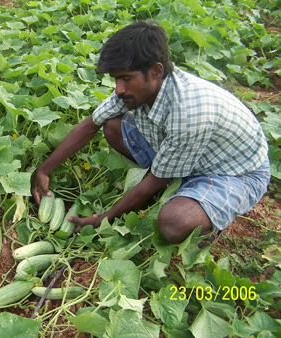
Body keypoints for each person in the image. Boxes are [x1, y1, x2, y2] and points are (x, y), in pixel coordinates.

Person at [31, 20, 270, 244]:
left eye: (125, 78)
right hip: (187, 154)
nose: (118, 89)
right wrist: (44, 170)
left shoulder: (187, 111)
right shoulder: (138, 89)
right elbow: (91, 124)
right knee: (113, 126)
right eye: (115, 79)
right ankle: (180, 186)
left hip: (232, 173)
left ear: (155, 71)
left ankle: (208, 215)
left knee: (174, 222)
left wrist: (103, 219)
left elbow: (156, 179)